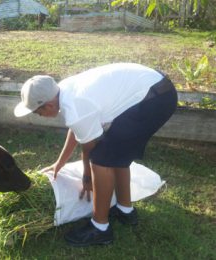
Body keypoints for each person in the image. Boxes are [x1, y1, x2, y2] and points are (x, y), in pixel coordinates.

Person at [14, 63, 177, 246]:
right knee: (115, 153)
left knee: (102, 160)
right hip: (155, 88)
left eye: (37, 111)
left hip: (154, 99)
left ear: (49, 104)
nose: (38, 115)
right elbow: (78, 128)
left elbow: (89, 149)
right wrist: (60, 162)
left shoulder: (75, 105)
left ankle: (100, 228)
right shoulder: (64, 90)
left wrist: (87, 176)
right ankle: (125, 210)